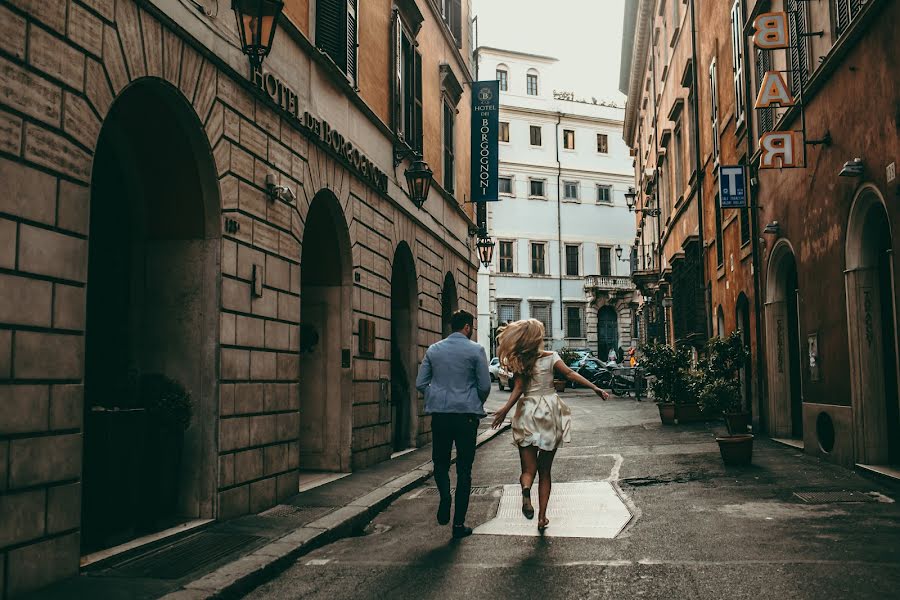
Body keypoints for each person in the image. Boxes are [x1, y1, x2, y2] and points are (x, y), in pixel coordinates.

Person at [491, 319, 609, 531]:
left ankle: (526, 489)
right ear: (538, 338)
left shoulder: (520, 361)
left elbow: (518, 389)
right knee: (544, 470)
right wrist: (595, 388)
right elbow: (570, 374)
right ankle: (542, 517)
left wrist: (504, 410)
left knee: (528, 469)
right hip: (548, 413)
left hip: (527, 411)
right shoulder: (551, 357)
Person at [416, 310, 491, 539]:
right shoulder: (476, 350)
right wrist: (473, 400)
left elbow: (421, 383)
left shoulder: (434, 350)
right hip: (466, 417)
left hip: (440, 414)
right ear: (467, 327)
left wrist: (436, 396)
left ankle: (444, 496)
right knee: (464, 470)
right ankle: (458, 525)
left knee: (440, 462)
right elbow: (485, 385)